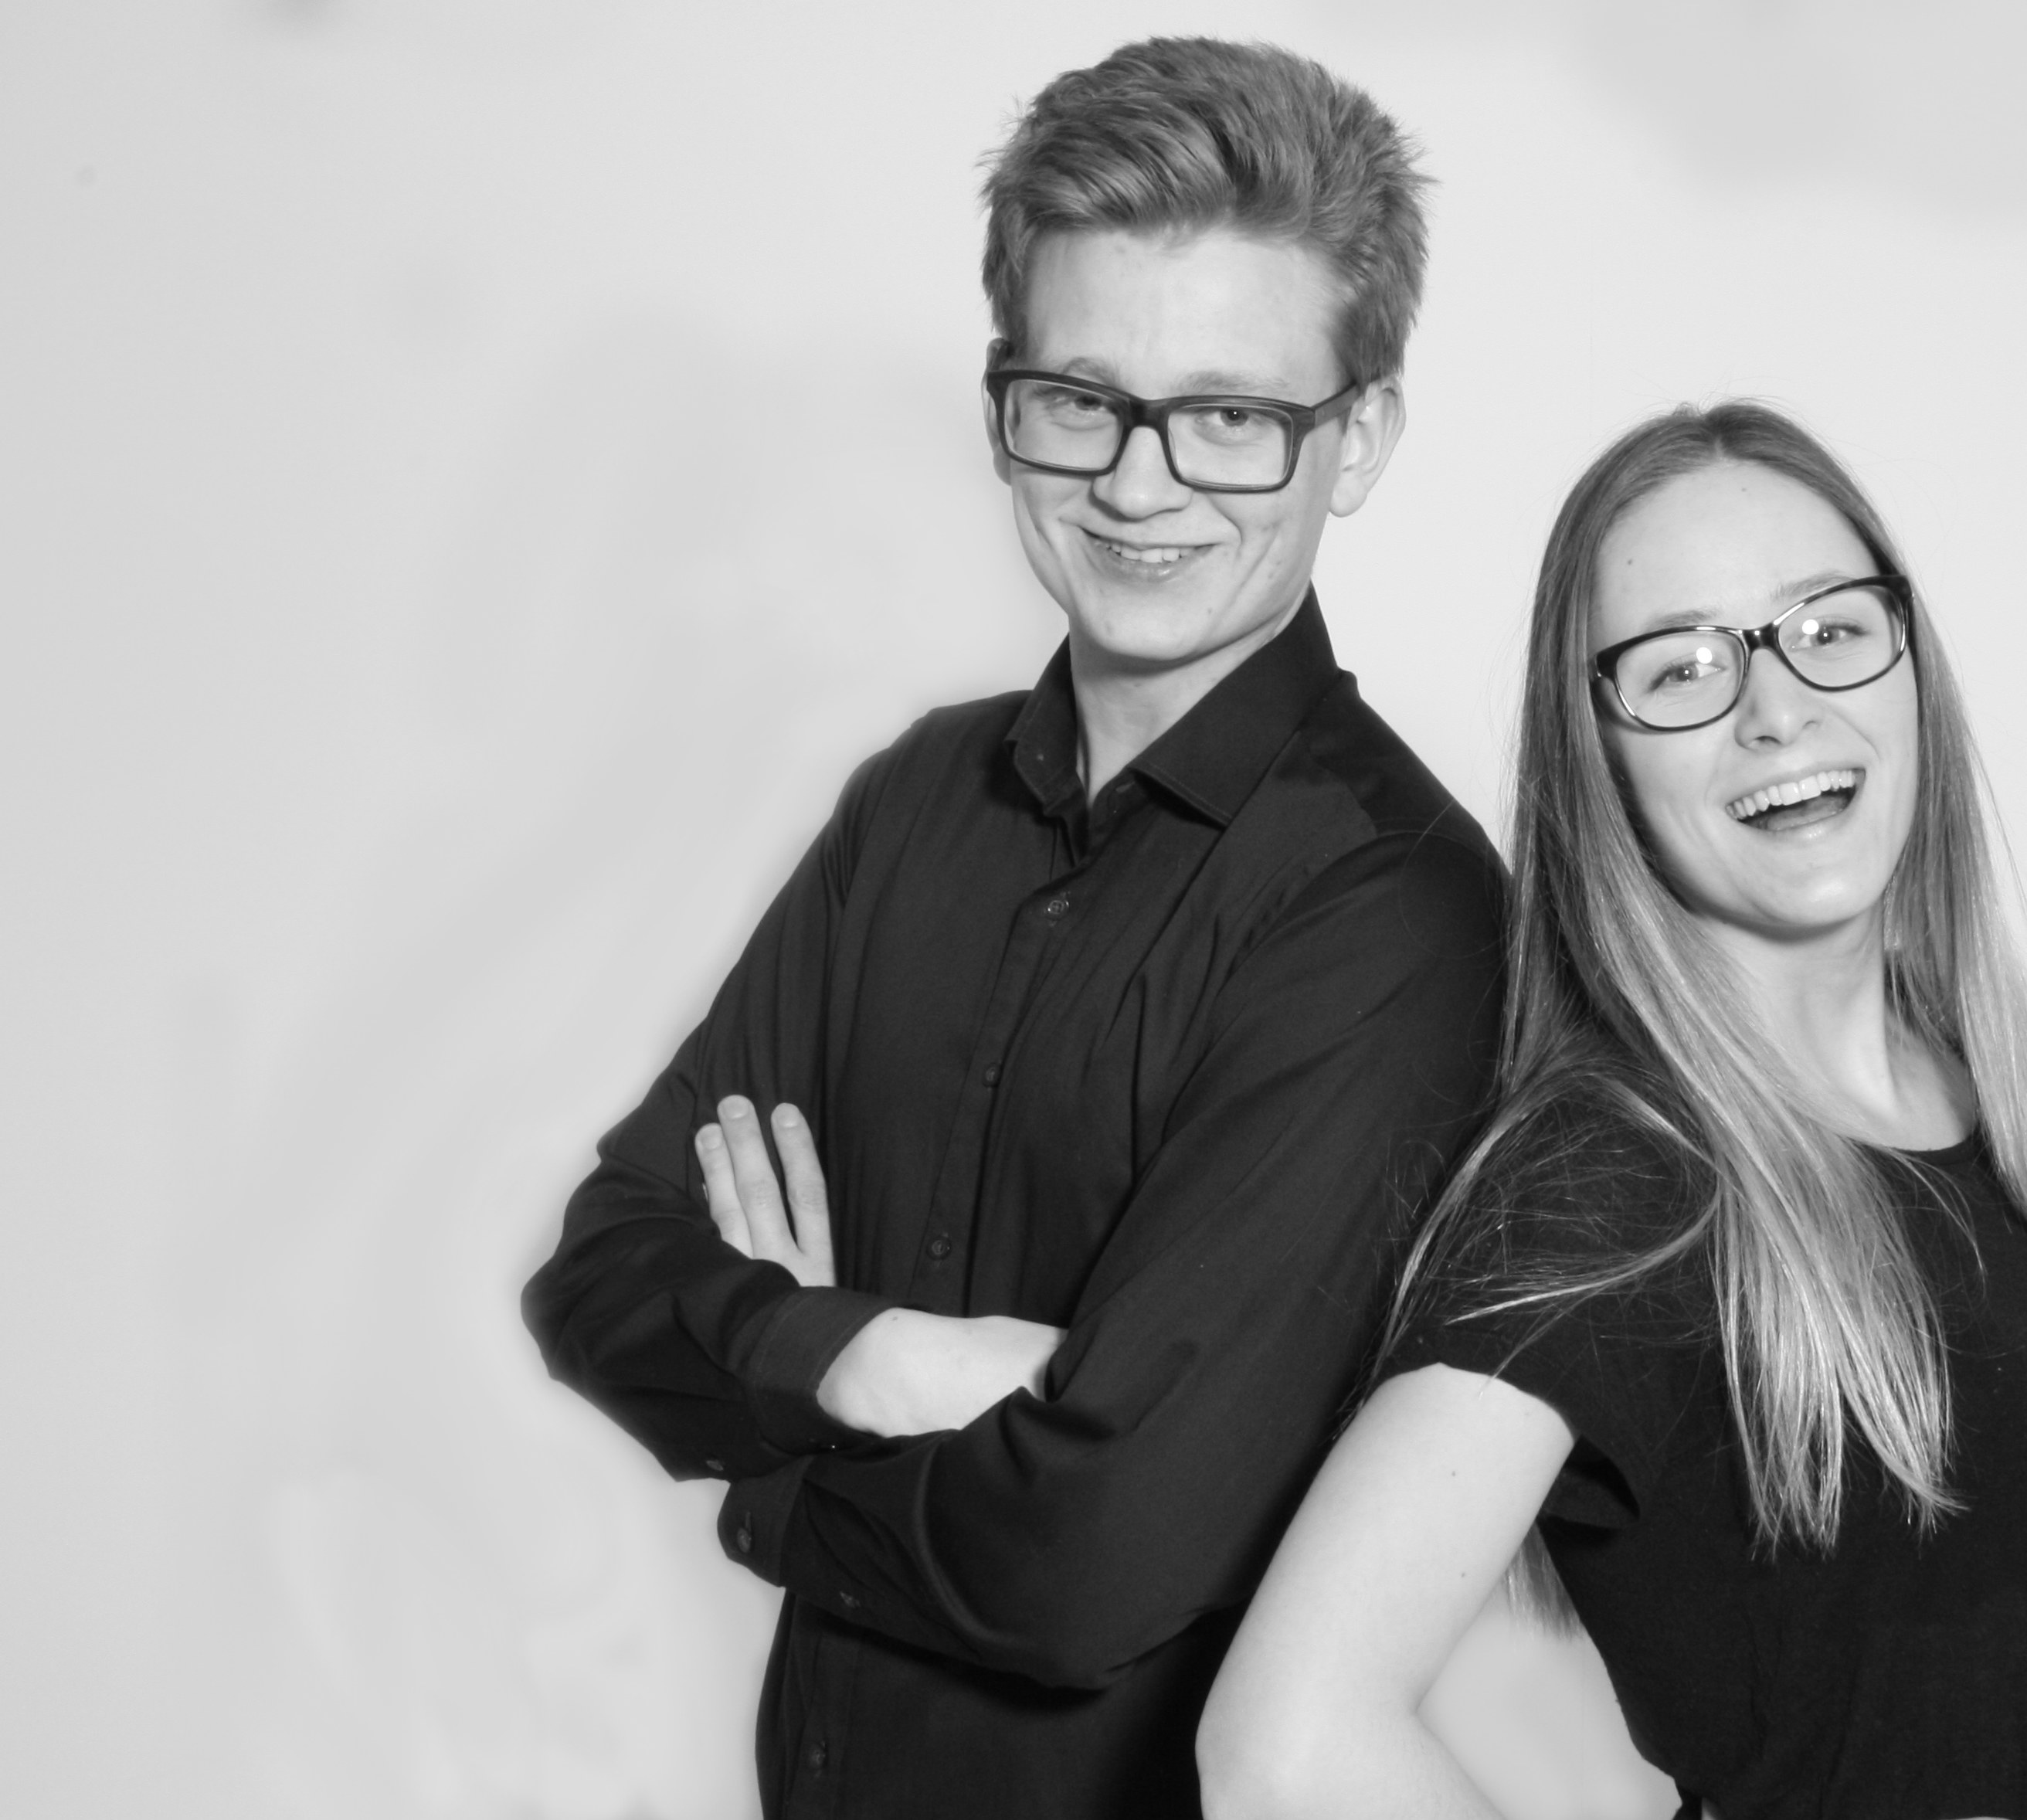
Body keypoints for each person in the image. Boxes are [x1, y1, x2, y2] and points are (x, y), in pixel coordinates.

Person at [521, 39, 1505, 1818]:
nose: (1139, 483)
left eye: (1231, 416)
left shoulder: (1395, 911)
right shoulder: (915, 800)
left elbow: (1089, 1552)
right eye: (1080, 398)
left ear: (1357, 438)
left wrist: (766, 1448)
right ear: (1004, 405)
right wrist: (870, 1353)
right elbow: (599, 1268)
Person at [1198, 402, 2027, 1820]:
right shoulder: (1615, 1181)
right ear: (1600, 761)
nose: (1776, 708)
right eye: (1680, 668)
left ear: (1910, 666)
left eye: (1829, 628)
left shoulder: (1990, 1073)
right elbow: (1283, 1749)